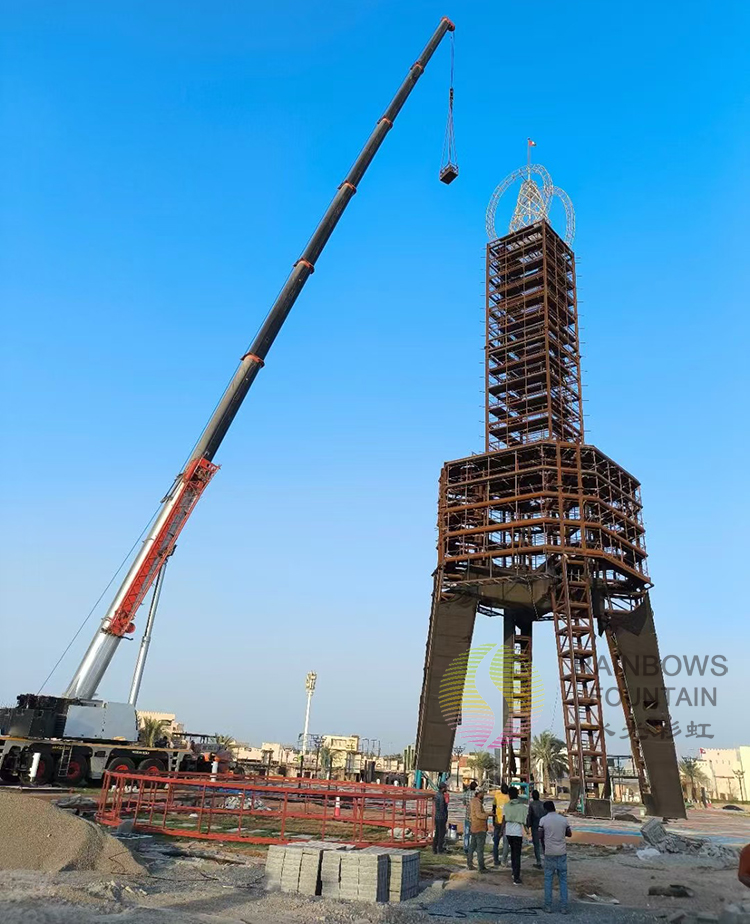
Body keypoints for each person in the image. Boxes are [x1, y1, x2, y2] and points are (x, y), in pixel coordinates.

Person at [539, 799, 572, 914]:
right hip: (561, 853)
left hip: (549, 853)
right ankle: (564, 907)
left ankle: (548, 906)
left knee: (548, 880)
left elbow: (540, 835)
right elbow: (569, 834)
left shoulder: (543, 820)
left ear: (545, 809)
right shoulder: (563, 820)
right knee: (563, 881)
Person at [502, 786, 529, 884]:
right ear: (518, 795)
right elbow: (525, 821)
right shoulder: (522, 807)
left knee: (513, 853)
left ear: (509, 796)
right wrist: (527, 830)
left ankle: (514, 872)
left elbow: (503, 820)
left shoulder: (506, 806)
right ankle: (516, 877)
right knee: (517, 855)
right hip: (517, 832)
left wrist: (502, 831)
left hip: (508, 832)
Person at [467, 787, 492, 872]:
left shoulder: (473, 801)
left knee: (472, 846)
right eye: (483, 793)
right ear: (479, 793)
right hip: (480, 827)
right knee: (480, 849)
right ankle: (481, 867)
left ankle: (469, 863)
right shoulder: (477, 803)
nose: (483, 795)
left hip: (474, 826)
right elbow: (479, 815)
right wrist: (488, 814)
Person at [526, 789, 547, 869]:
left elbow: (529, 816)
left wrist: (528, 826)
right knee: (544, 844)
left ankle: (539, 862)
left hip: (535, 826)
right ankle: (546, 860)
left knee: (536, 845)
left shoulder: (532, 805)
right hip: (543, 826)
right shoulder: (543, 804)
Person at [492, 782, 511, 867]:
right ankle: (504, 860)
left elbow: (493, 808)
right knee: (505, 842)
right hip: (506, 822)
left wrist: (493, 819)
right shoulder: (509, 798)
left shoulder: (497, 796)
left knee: (496, 842)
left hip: (497, 821)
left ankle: (495, 860)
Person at [433, 782, 449, 854]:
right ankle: (440, 848)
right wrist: (445, 816)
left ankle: (434, 848)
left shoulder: (437, 795)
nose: (446, 789)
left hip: (437, 816)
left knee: (437, 833)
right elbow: (442, 808)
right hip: (441, 817)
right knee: (441, 833)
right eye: (445, 787)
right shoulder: (441, 797)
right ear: (443, 788)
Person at [462, 780, 477, 854]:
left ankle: (466, 847)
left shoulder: (466, 794)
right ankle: (473, 847)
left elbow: (464, 803)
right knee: (475, 833)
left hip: (467, 815)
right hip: (475, 817)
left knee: (466, 833)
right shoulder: (476, 795)